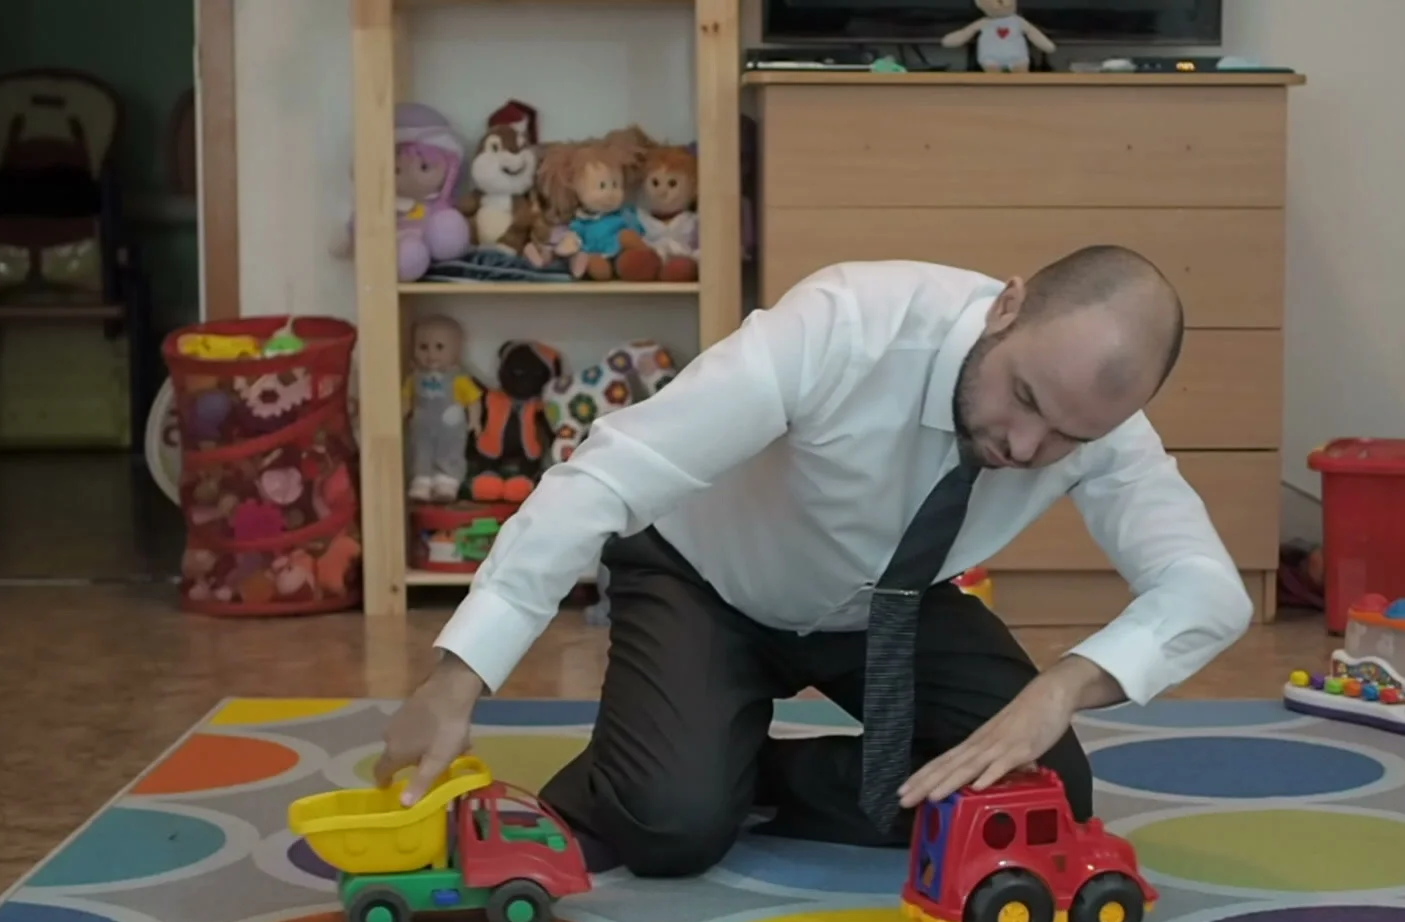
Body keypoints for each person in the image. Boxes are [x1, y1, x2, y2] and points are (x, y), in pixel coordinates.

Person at [375, 247, 1254, 876]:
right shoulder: (848, 322)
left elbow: (1207, 589)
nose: (1028, 445)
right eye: (1023, 398)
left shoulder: (1096, 429)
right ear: (1007, 305)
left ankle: (742, 768)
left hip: (889, 605)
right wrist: (455, 678)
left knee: (1042, 797)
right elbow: (610, 472)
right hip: (703, 576)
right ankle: (687, 774)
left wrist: (1059, 688)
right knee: (671, 828)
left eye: (1070, 436)